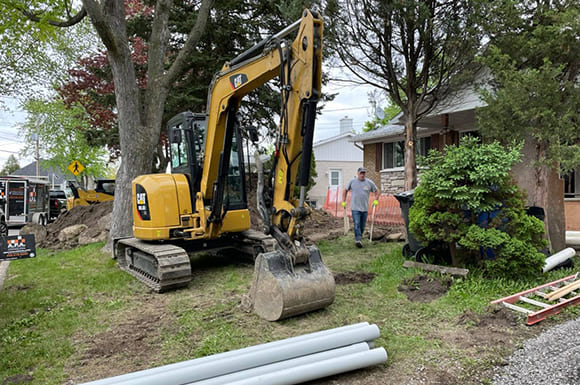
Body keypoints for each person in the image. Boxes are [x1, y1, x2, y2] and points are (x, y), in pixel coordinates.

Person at [342, 167, 380, 248]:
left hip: (364, 208)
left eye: (364, 173)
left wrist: (376, 200)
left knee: (362, 226)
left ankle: (360, 237)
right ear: (357, 173)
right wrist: (343, 201)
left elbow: (377, 191)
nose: (362, 175)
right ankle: (358, 240)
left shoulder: (369, 183)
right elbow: (345, 190)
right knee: (357, 223)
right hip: (355, 208)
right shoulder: (352, 182)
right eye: (361, 173)